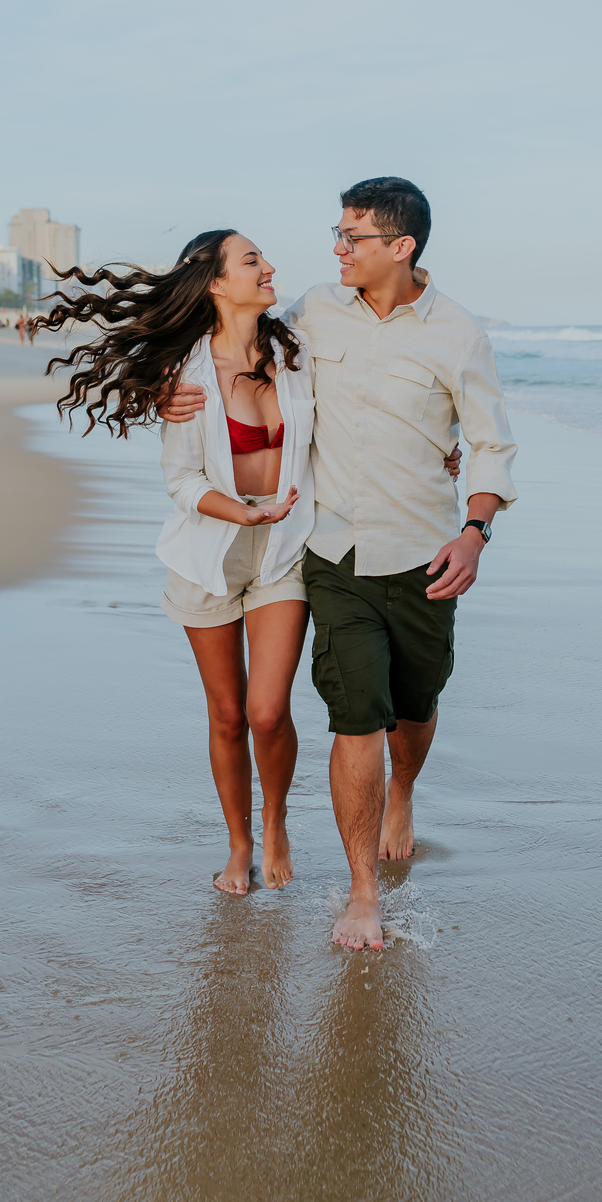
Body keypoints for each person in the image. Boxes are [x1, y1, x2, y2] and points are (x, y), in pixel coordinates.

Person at [32, 228, 463, 898]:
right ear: (214, 283)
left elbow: (373, 394)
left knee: (267, 711)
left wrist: (439, 446)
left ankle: (276, 820)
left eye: (263, 257)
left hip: (286, 549)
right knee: (228, 714)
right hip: (209, 551)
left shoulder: (299, 348)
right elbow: (180, 481)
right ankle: (237, 842)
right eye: (252, 260)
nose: (268, 268)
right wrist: (239, 511)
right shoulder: (188, 373)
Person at [162, 178, 517, 952]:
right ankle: (362, 893)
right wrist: (162, 389)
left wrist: (475, 531)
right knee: (355, 713)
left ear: (402, 247)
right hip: (328, 550)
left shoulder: (458, 334)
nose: (336, 248)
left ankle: (404, 795)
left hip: (425, 551)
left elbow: (489, 442)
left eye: (351, 237)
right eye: (337, 232)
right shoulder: (314, 311)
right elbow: (232, 343)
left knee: (414, 707)